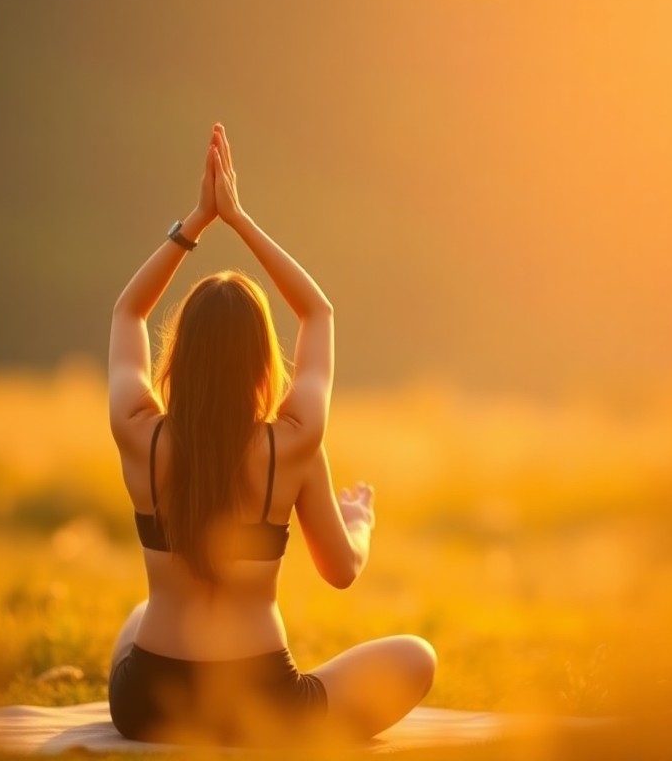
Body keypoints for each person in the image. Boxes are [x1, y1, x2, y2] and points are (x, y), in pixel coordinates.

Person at [105, 123, 436, 746]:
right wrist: (357, 520)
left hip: (150, 701)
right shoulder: (295, 444)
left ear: (181, 356)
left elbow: (128, 312)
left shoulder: (138, 434)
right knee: (418, 656)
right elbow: (318, 312)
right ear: (263, 363)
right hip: (259, 700)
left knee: (139, 617)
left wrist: (197, 223)